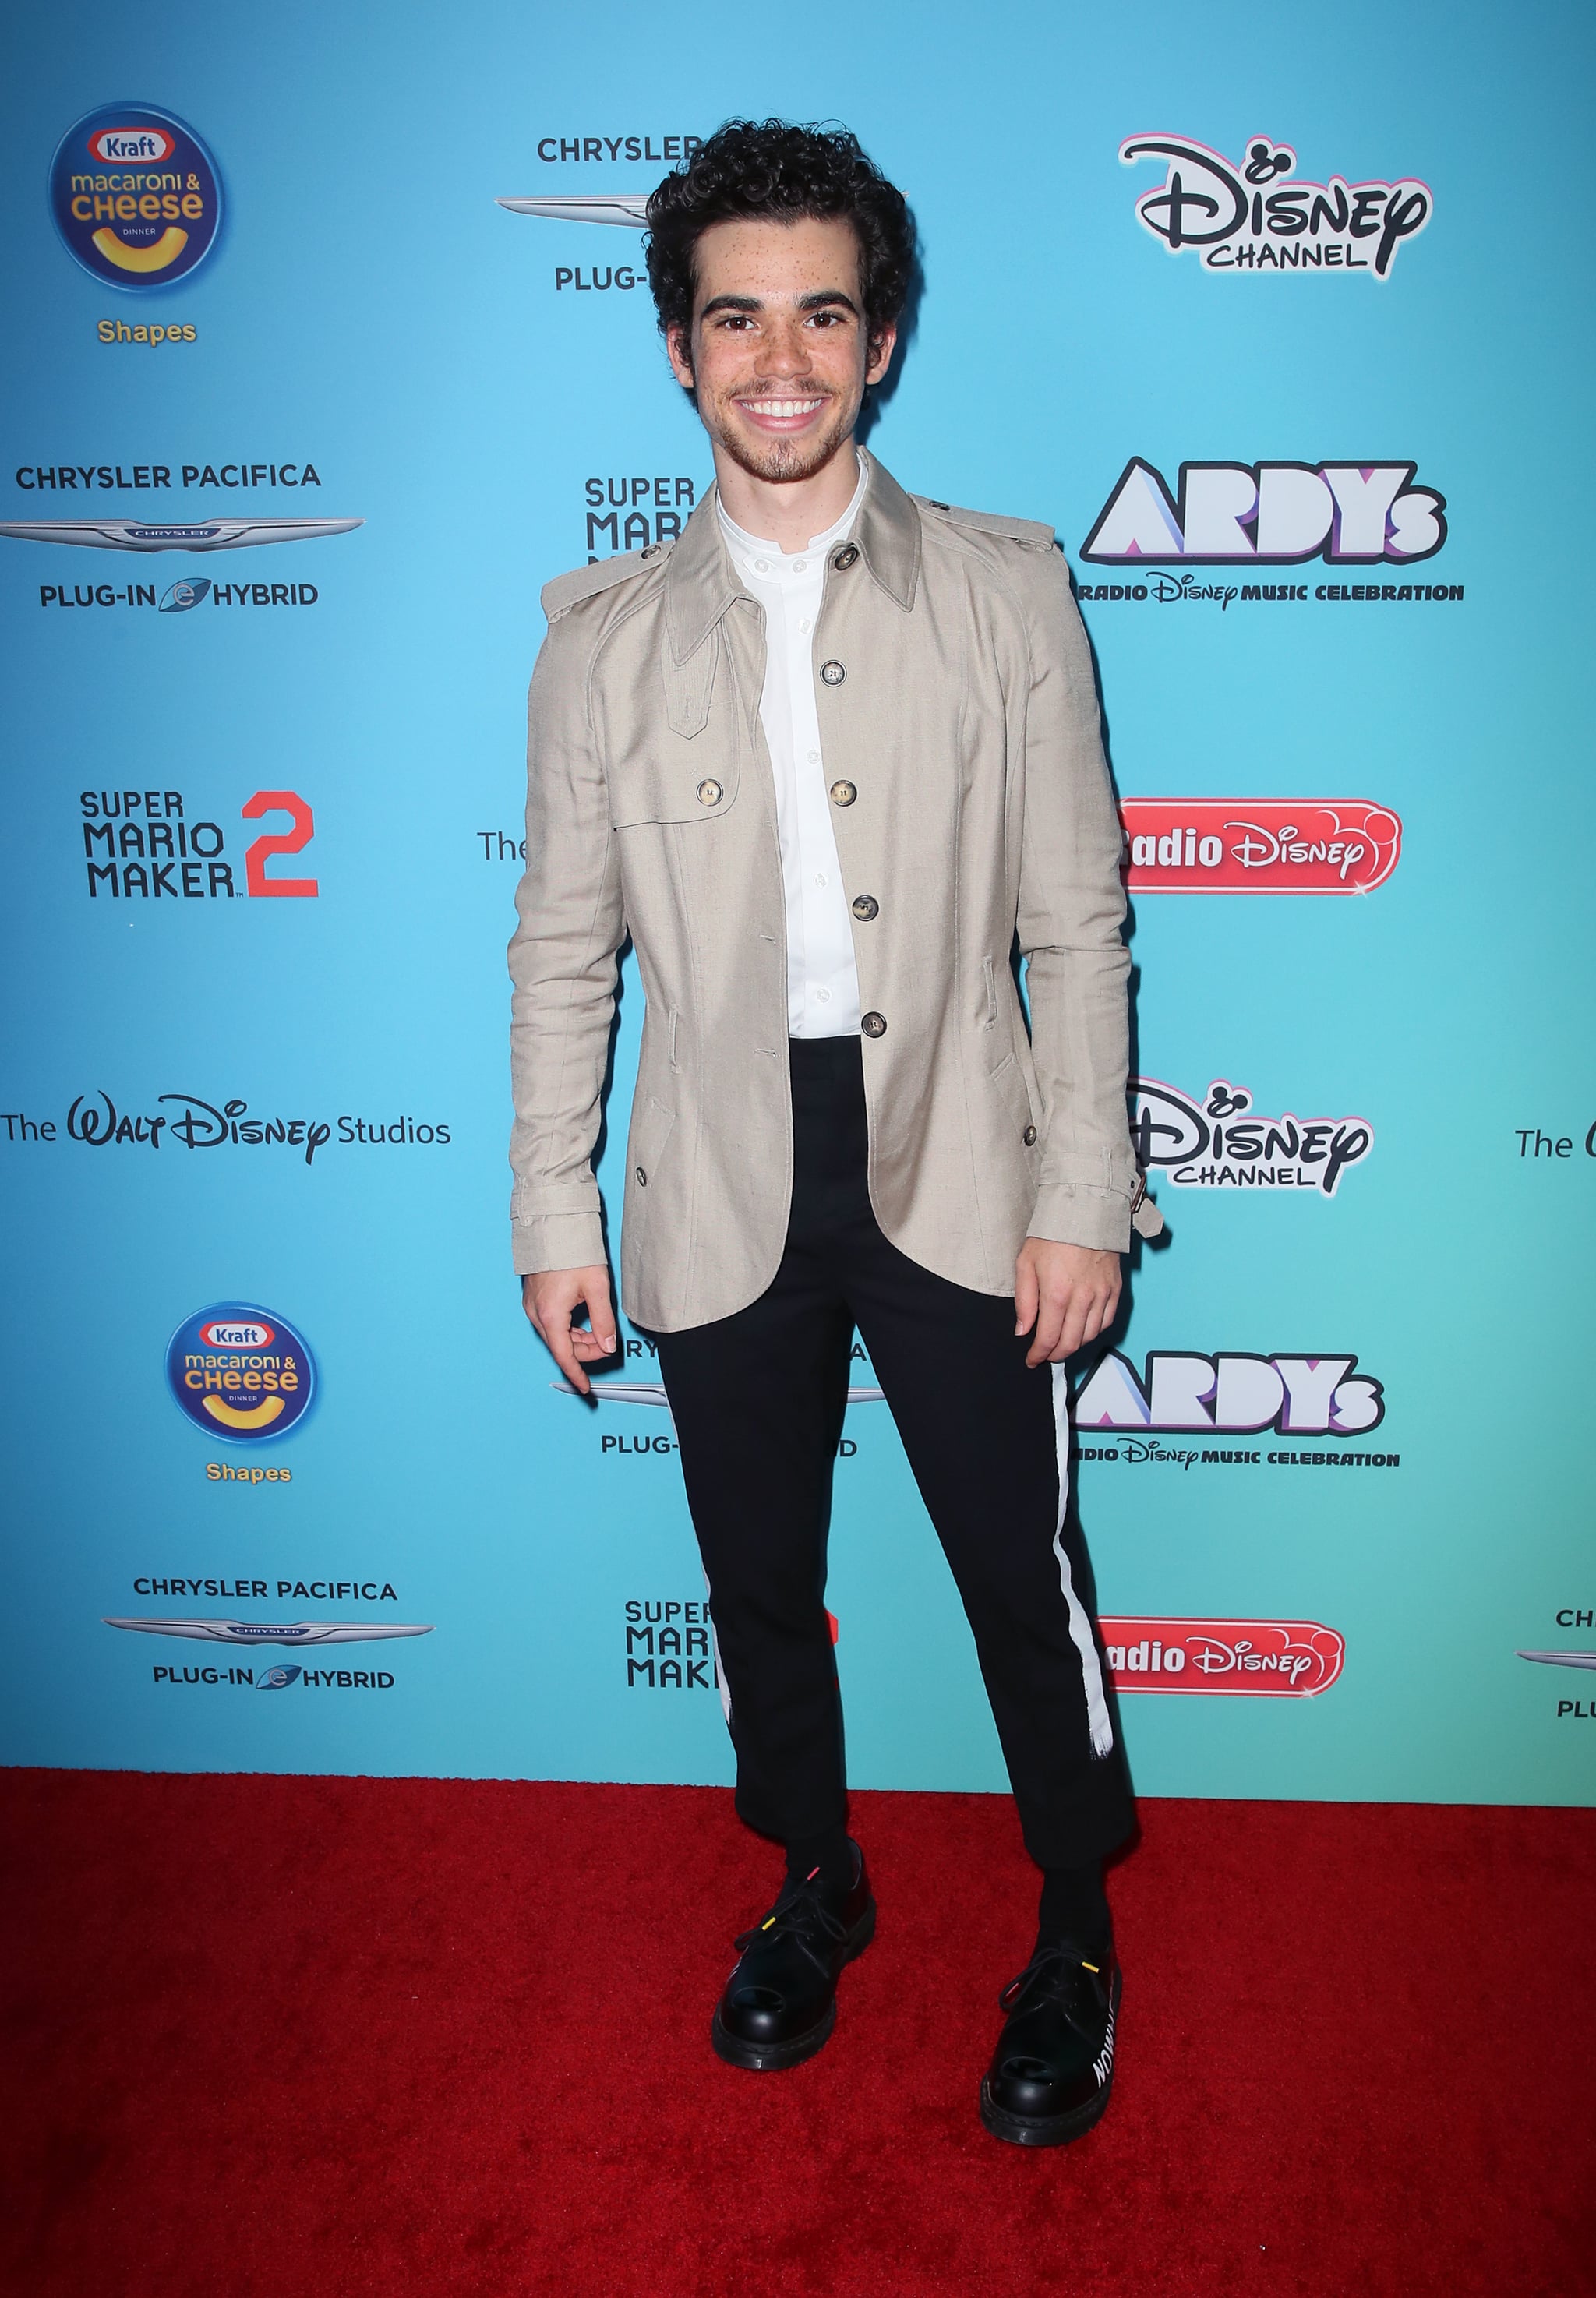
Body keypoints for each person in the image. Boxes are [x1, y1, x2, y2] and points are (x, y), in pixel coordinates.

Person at [509, 118, 1160, 2148]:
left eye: (820, 312)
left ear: (878, 343)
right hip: (718, 1171)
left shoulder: (1004, 591)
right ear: (681, 352)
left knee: (1010, 1568)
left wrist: (1086, 1201)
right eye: (735, 317)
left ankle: (1072, 1927)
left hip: (964, 1148)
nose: (777, 357)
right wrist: (552, 1203)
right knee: (759, 1579)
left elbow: (1079, 923)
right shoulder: (598, 640)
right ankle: (816, 1880)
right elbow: (562, 947)